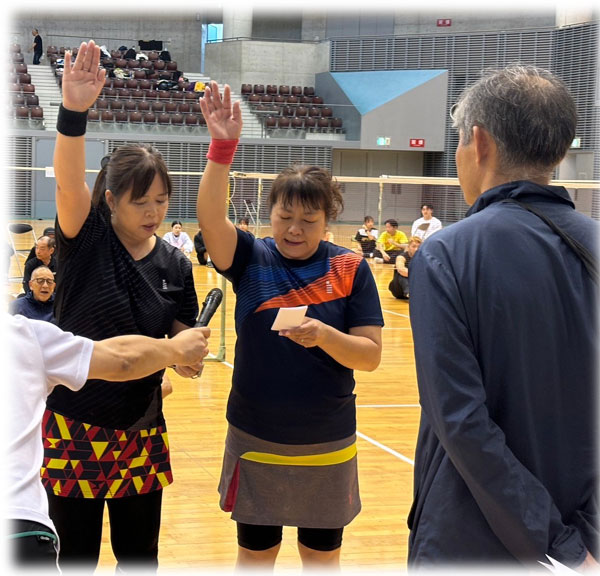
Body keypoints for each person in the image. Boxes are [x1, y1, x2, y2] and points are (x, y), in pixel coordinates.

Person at [407, 64, 599, 571]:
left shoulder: (446, 254)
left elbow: (461, 420)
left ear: (479, 142)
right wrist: (586, 539)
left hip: (471, 539)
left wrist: (557, 542)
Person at [198, 81, 384, 570]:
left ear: (328, 220)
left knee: (321, 559)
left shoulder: (350, 268)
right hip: (256, 435)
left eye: (309, 219)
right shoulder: (251, 257)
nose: (294, 229)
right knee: (255, 557)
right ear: (271, 215)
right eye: (284, 216)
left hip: (327, 438)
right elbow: (210, 219)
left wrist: (324, 336)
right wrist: (222, 148)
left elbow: (369, 356)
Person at [42, 40, 200, 572]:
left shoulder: (176, 265)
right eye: (140, 202)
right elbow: (69, 182)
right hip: (74, 425)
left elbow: (181, 343)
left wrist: (189, 356)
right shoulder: (85, 239)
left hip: (142, 429)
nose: (153, 212)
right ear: (110, 200)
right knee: (74, 558)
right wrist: (74, 110)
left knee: (139, 557)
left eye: (161, 201)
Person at [6, 313, 209, 571]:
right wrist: (176, 350)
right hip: (68, 442)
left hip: (140, 435)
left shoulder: (26, 334)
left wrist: (178, 353)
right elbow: (122, 360)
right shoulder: (26, 333)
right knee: (76, 555)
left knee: (139, 556)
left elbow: (144, 364)